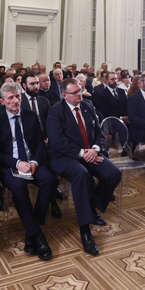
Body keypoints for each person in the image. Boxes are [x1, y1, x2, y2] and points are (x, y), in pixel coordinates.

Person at [47, 79, 121, 255]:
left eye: (80, 91)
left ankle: (93, 205)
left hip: (91, 152)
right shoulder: (55, 111)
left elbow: (98, 133)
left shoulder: (87, 106)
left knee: (114, 174)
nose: (79, 95)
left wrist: (95, 149)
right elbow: (57, 142)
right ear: (64, 95)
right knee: (81, 175)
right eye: (74, 93)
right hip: (65, 156)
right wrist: (82, 153)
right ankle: (85, 231)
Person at [0, 82, 54, 260]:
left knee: (49, 180)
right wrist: (17, 163)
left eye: (18, 97)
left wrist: (34, 161)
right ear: (2, 101)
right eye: (10, 98)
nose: (15, 101)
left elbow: (39, 143)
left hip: (32, 162)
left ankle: (32, 230)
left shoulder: (31, 116)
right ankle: (38, 237)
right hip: (9, 165)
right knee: (18, 188)